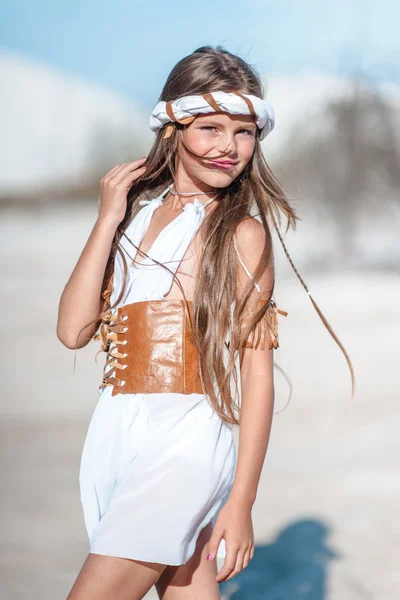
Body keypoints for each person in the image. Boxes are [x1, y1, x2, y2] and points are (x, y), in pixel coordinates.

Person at [57, 45, 355, 600]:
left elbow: (258, 375)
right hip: (118, 435)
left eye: (244, 132)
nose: (229, 147)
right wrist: (106, 218)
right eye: (211, 127)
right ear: (172, 127)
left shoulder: (243, 235)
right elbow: (73, 330)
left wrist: (241, 502)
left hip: (187, 446)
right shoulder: (132, 219)